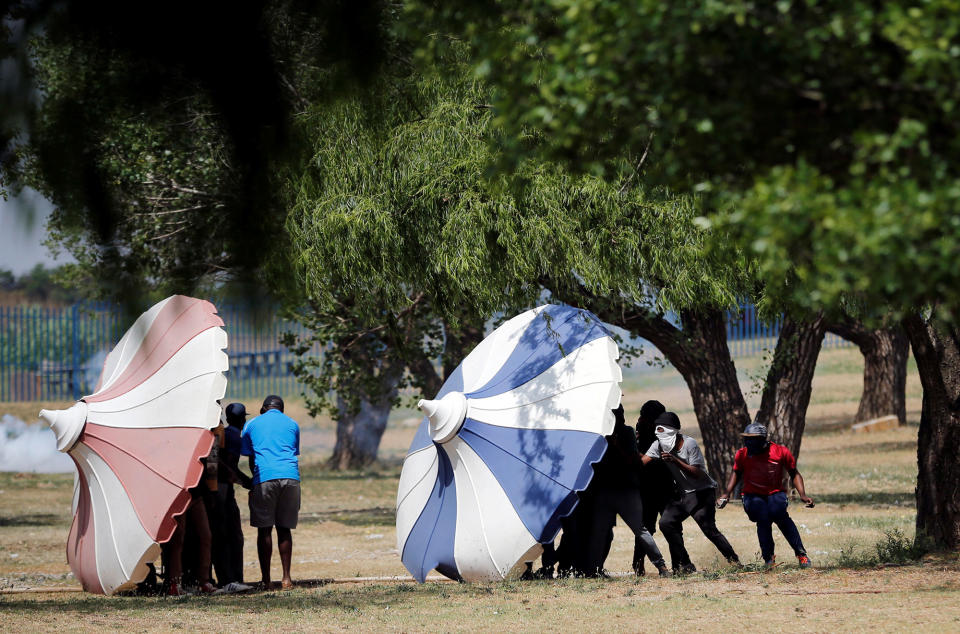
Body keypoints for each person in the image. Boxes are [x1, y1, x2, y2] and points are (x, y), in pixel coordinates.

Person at [641, 412, 739, 573]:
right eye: (657, 431)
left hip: (702, 492)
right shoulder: (658, 445)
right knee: (666, 523)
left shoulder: (689, 444)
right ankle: (685, 564)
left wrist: (676, 461)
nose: (659, 435)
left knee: (709, 530)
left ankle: (734, 562)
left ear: (673, 431)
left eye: (662, 430)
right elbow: (642, 463)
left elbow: (698, 473)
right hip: (684, 495)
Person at [584, 404, 671, 577]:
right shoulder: (605, 435)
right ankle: (594, 570)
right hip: (608, 490)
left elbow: (633, 461)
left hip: (624, 490)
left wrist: (615, 446)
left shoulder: (625, 433)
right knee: (601, 532)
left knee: (638, 529)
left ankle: (661, 566)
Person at [717, 423, 815, 569]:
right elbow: (736, 472)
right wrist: (726, 493)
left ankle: (801, 554)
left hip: (775, 493)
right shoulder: (742, 454)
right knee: (763, 518)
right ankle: (769, 559)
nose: (748, 443)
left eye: (753, 439)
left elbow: (794, 473)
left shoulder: (780, 451)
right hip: (752, 495)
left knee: (779, 515)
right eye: (746, 439)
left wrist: (803, 495)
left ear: (763, 439)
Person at [241, 394, 301, 590]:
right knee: (284, 529)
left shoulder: (251, 424)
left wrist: (254, 480)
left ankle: (266, 580)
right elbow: (291, 452)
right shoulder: (293, 424)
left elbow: (250, 457)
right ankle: (286, 579)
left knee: (264, 529)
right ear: (281, 409)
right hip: (291, 478)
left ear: (264, 408)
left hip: (264, 477)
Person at [211, 402, 253, 593]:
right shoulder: (235, 437)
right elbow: (229, 466)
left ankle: (229, 578)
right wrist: (246, 482)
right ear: (243, 419)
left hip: (218, 487)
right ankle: (231, 578)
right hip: (222, 488)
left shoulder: (223, 432)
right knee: (229, 534)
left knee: (224, 533)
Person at [632, 400, 674, 575]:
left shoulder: (664, 429)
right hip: (648, 485)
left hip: (661, 482)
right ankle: (638, 564)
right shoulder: (642, 427)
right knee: (647, 527)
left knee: (669, 524)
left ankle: (680, 562)